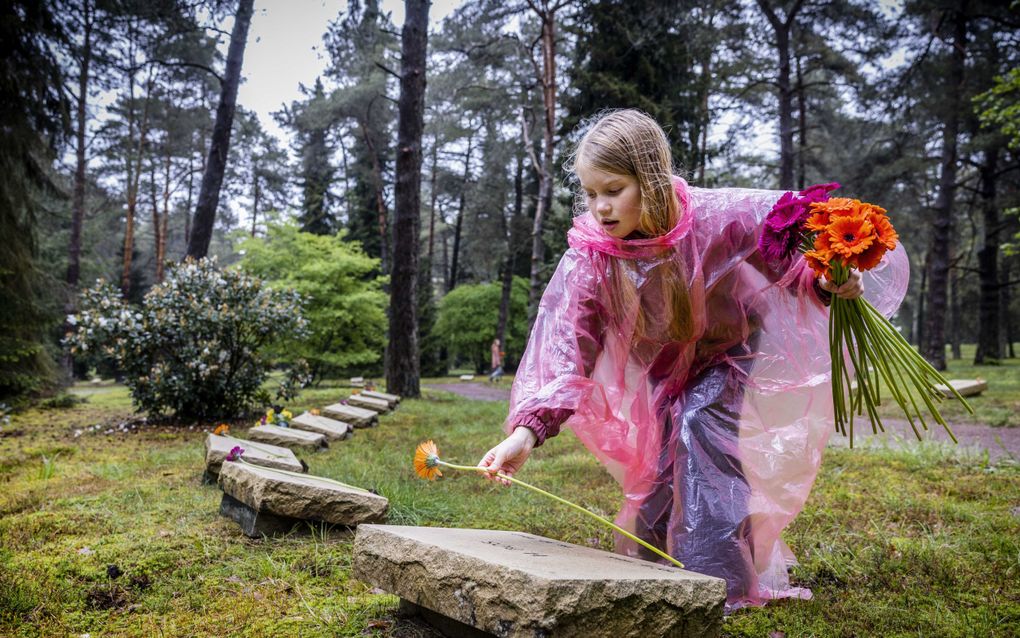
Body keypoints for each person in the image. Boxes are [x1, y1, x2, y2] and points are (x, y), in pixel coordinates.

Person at [476, 109, 908, 612]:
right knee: (659, 464)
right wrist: (527, 431)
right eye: (591, 194)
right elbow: (567, 345)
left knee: (700, 430)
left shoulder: (718, 219)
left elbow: (788, 259)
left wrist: (829, 279)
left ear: (652, 181)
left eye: (613, 190)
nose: (601, 207)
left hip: (728, 354)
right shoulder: (593, 255)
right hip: (661, 371)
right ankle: (649, 568)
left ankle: (714, 587)